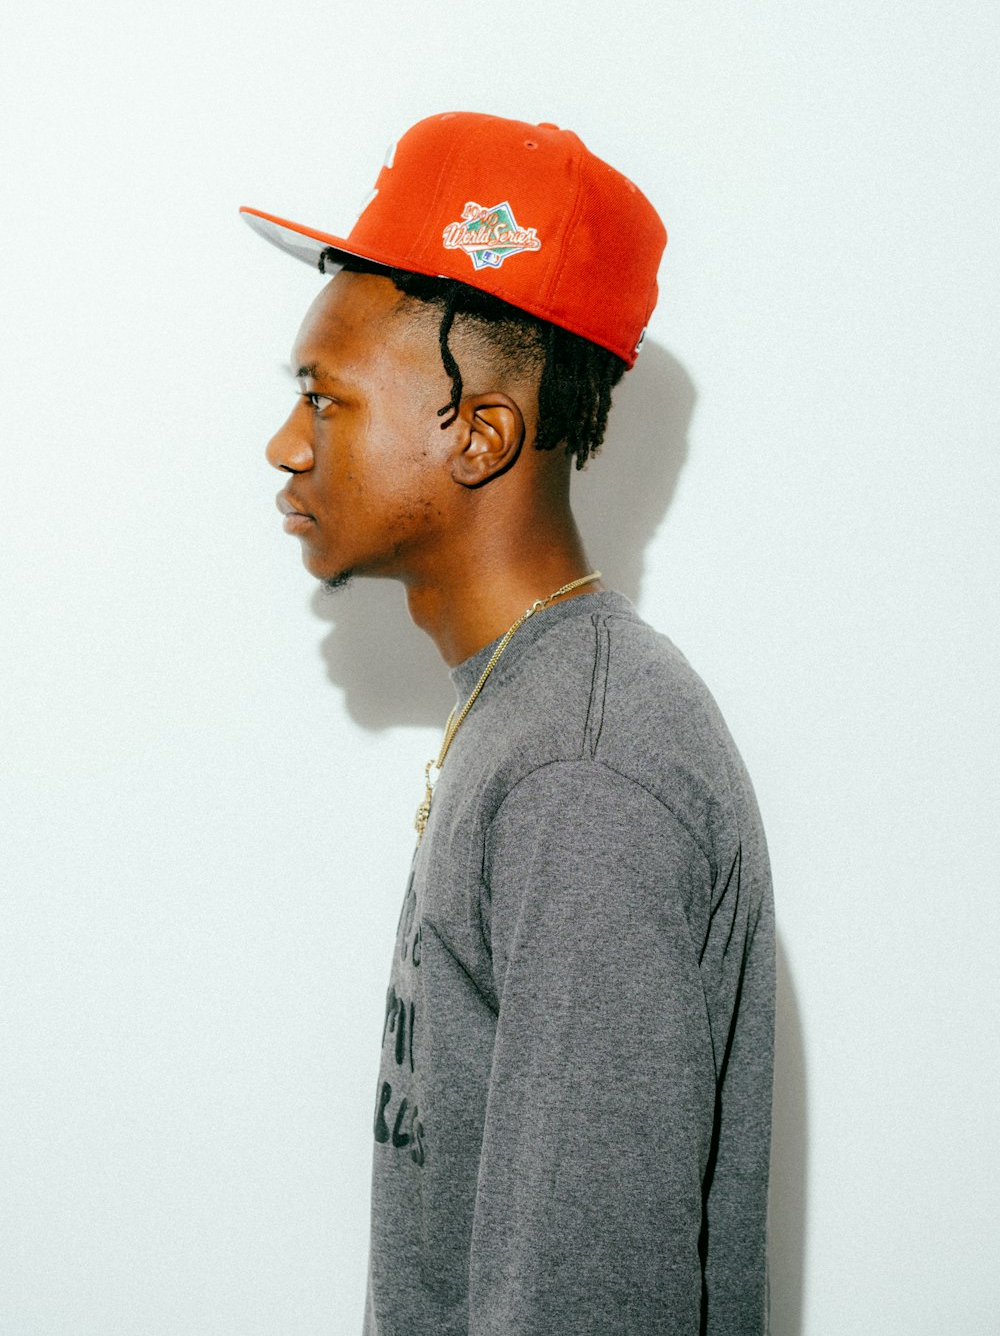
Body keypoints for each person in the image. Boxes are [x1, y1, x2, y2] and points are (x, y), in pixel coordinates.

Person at [243, 111, 775, 1335]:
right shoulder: (535, 710)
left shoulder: (582, 776)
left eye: (324, 400)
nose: (283, 446)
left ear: (480, 435)